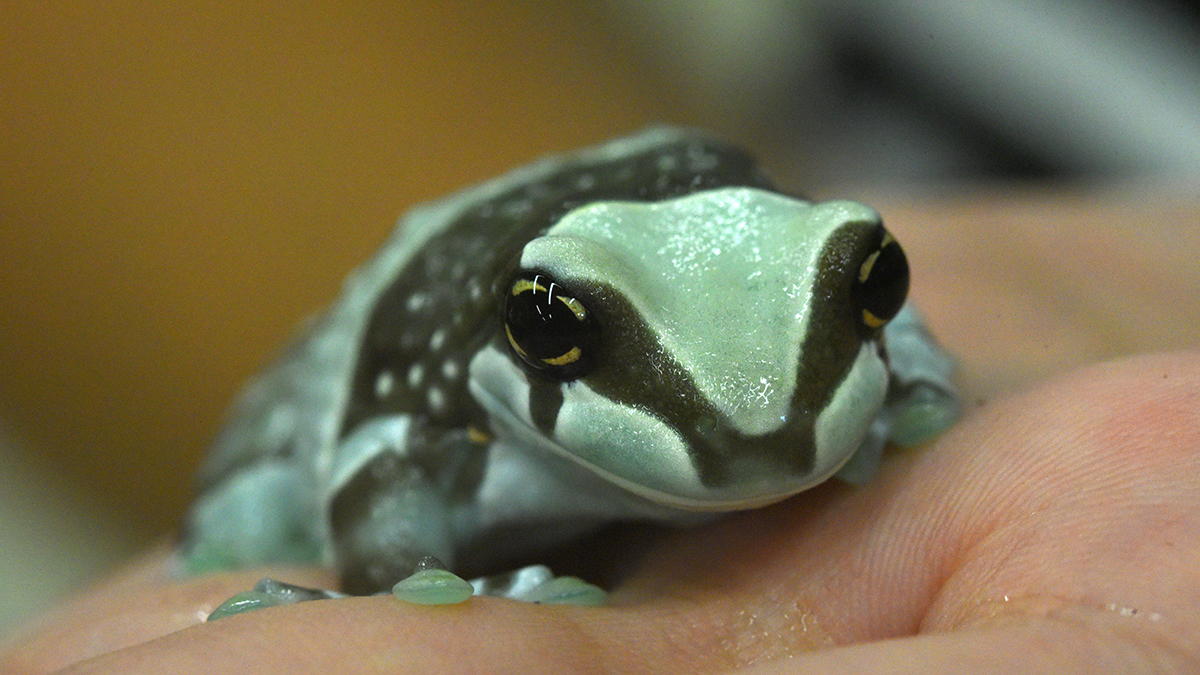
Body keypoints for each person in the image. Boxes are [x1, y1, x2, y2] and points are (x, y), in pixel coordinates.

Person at [4, 193, 1198, 674]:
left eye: (870, 298)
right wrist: (420, 583)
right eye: (561, 330)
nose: (763, 440)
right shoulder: (451, 419)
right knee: (245, 529)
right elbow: (377, 486)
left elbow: (806, 264)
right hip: (402, 355)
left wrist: (903, 348)